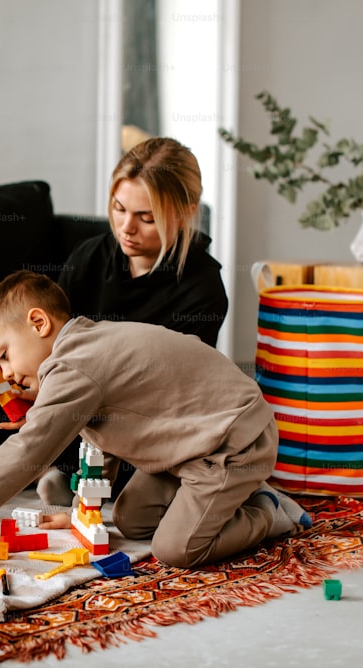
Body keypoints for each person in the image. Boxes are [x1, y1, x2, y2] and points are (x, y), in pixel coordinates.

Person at [0, 270, 310, 568]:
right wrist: (79, 511)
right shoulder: (83, 351)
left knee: (176, 548)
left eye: (3, 355)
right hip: (190, 445)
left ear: (39, 324)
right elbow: (100, 442)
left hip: (234, 439)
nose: (4, 374)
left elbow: (28, 449)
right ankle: (224, 498)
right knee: (130, 520)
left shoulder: (75, 365)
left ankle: (269, 510)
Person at [38, 136, 229, 505]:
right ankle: (68, 472)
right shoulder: (89, 257)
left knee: (147, 490)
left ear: (187, 212)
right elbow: (51, 345)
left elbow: (175, 393)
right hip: (80, 405)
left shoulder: (203, 287)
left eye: (146, 218)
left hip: (150, 419)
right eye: (118, 208)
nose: (126, 227)